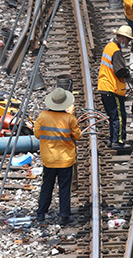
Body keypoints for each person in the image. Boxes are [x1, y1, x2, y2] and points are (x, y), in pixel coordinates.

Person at [34, 87, 82, 224]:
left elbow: (37, 134)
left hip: (49, 159)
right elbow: (77, 136)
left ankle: (41, 213)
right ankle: (64, 215)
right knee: (64, 187)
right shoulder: (69, 119)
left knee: (46, 186)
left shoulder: (43, 116)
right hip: (65, 160)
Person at [98, 25, 133, 151]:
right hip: (112, 88)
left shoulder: (109, 47)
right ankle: (119, 142)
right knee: (119, 117)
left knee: (113, 116)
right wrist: (128, 75)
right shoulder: (115, 50)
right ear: (123, 38)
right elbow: (119, 70)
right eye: (128, 40)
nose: (128, 43)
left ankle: (112, 139)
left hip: (105, 87)